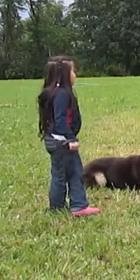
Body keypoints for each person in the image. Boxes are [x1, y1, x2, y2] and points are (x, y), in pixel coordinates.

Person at [37, 56, 101, 217]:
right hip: (62, 142)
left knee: (60, 174)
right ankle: (77, 205)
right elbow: (60, 119)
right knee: (74, 173)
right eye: (73, 71)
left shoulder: (51, 93)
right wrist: (70, 139)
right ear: (64, 74)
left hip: (54, 141)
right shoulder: (62, 94)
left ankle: (58, 206)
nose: (75, 74)